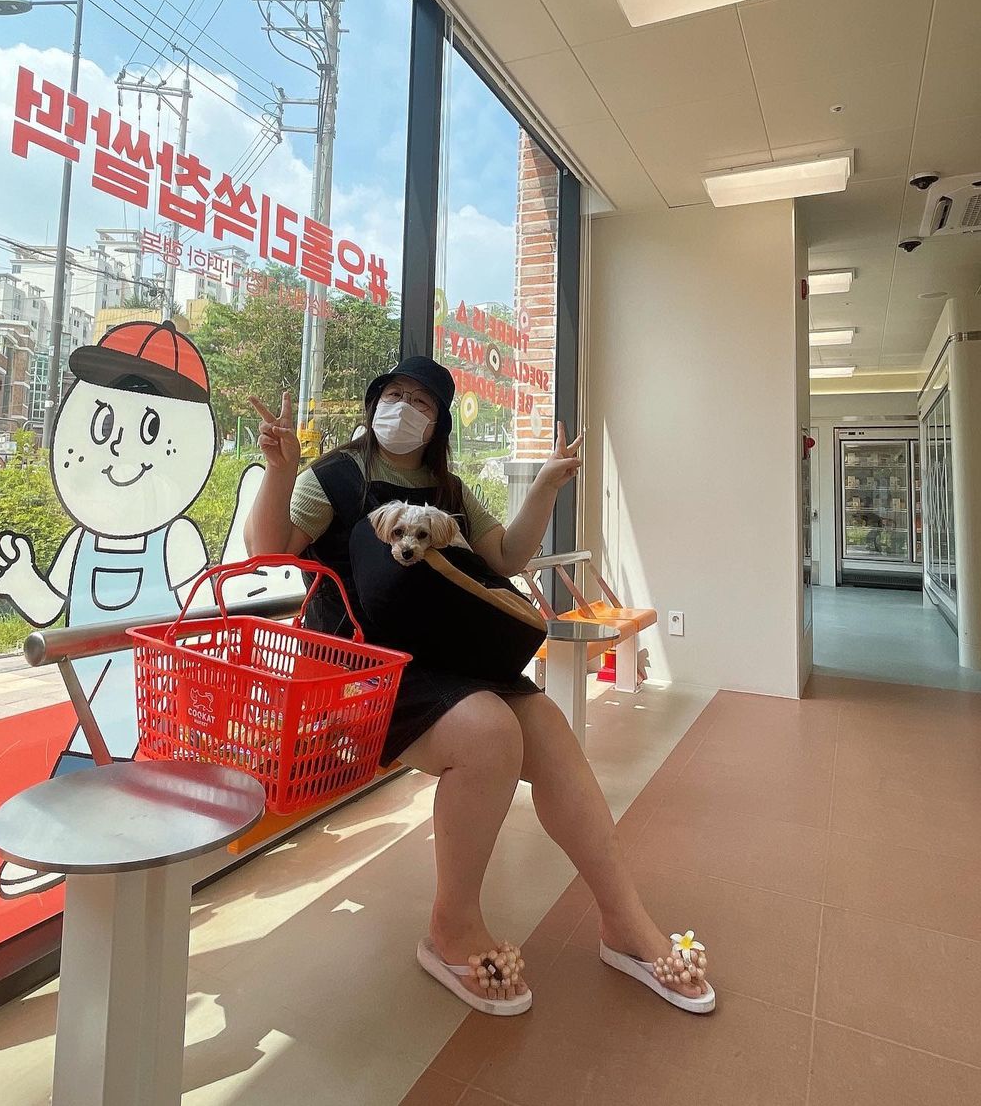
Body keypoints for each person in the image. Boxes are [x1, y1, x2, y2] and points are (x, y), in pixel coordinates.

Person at [244, 356, 712, 1016]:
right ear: (374, 404)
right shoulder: (335, 476)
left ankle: (625, 922)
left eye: (421, 402)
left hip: (448, 654)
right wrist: (281, 468)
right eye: (394, 394)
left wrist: (545, 484)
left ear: (437, 422)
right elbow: (267, 551)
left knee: (548, 730)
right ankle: (451, 929)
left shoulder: (451, 490)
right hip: (362, 668)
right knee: (489, 732)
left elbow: (506, 557)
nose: (404, 409)